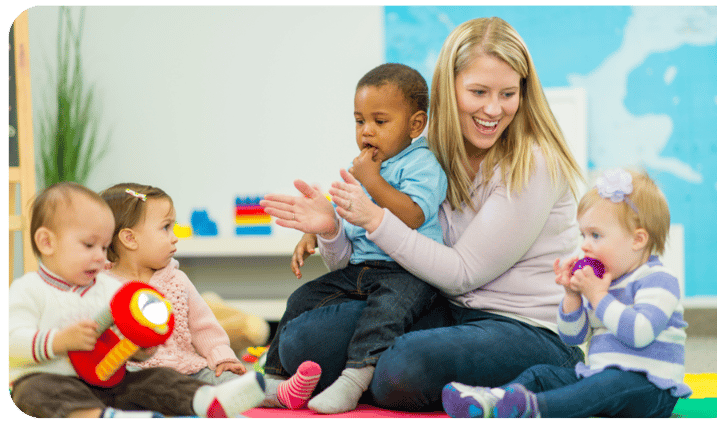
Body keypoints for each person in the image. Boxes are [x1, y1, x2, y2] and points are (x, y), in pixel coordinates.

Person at [263, 16, 586, 412]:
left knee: (401, 368)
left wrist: (375, 218)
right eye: (478, 91)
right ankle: (381, 379)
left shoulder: (535, 162)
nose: (493, 109)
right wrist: (331, 229)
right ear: (449, 91)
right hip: (445, 311)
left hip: (522, 327)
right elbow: (361, 260)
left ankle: (552, 376)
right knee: (301, 342)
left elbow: (463, 273)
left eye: (508, 93)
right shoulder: (424, 153)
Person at [261, 63, 448, 413]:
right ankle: (273, 379)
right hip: (362, 268)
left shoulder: (421, 164)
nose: (367, 132)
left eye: (380, 121)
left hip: (407, 273)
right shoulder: (366, 167)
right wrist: (317, 231)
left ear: (415, 125)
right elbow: (348, 216)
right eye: (360, 121)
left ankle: (355, 378)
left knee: (385, 314)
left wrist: (372, 180)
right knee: (304, 297)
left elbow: (412, 215)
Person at [442, 168, 691, 418]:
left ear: (638, 240)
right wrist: (572, 296)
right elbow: (573, 338)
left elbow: (640, 333)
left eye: (595, 235)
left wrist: (597, 297)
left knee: (609, 384)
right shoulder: (604, 283)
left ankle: (535, 409)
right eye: (583, 234)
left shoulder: (658, 280)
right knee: (543, 373)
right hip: (601, 378)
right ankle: (492, 401)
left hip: (651, 390)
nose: (584, 244)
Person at [8, 182, 266, 418]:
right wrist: (58, 341)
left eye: (104, 246)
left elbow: (126, 336)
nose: (100, 256)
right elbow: (11, 340)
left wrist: (142, 348)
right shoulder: (29, 290)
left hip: (111, 383)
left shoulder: (108, 288)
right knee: (32, 391)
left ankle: (206, 400)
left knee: (156, 378)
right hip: (56, 381)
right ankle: (97, 417)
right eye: (89, 246)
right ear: (47, 242)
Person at [99, 183, 321, 407]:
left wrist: (222, 356)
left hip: (188, 370)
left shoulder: (177, 280)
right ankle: (201, 403)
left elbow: (203, 326)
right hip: (135, 375)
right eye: (165, 228)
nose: (174, 237)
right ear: (130, 239)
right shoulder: (102, 286)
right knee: (125, 391)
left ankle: (281, 392)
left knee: (228, 380)